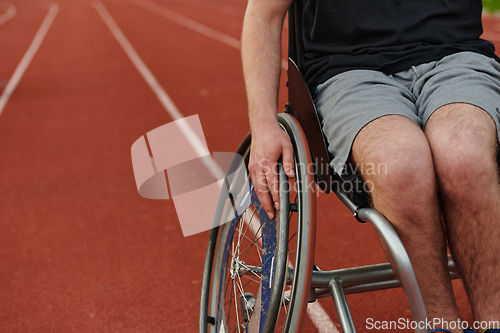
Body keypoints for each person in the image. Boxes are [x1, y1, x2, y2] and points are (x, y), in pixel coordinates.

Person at [241, 0, 500, 332]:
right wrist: (263, 127)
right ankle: (439, 324)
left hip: (457, 55)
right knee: (400, 167)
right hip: (348, 71)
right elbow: (263, 15)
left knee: (465, 157)